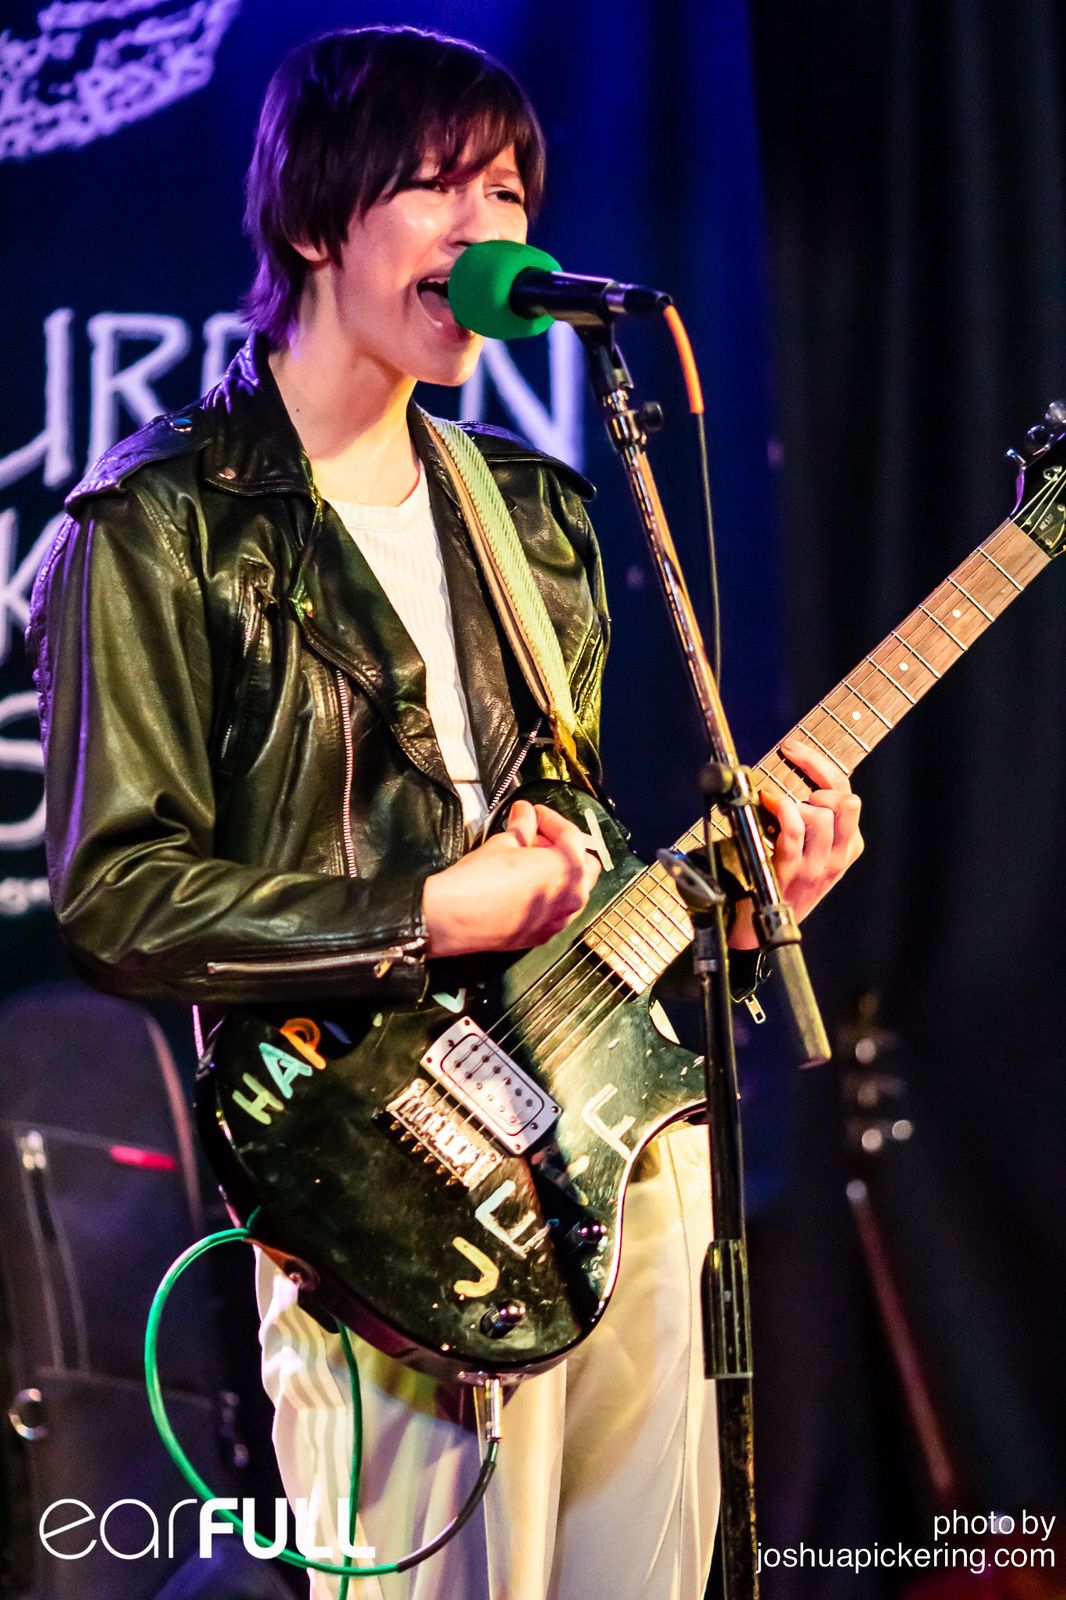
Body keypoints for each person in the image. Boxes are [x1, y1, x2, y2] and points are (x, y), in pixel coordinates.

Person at [27, 25, 863, 1600]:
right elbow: (116, 897)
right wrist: (419, 916)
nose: (490, 234)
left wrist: (736, 918)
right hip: (382, 1195)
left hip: (607, 1159)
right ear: (312, 220)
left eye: (509, 193)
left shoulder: (530, 511)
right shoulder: (156, 523)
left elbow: (572, 866)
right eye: (437, 187)